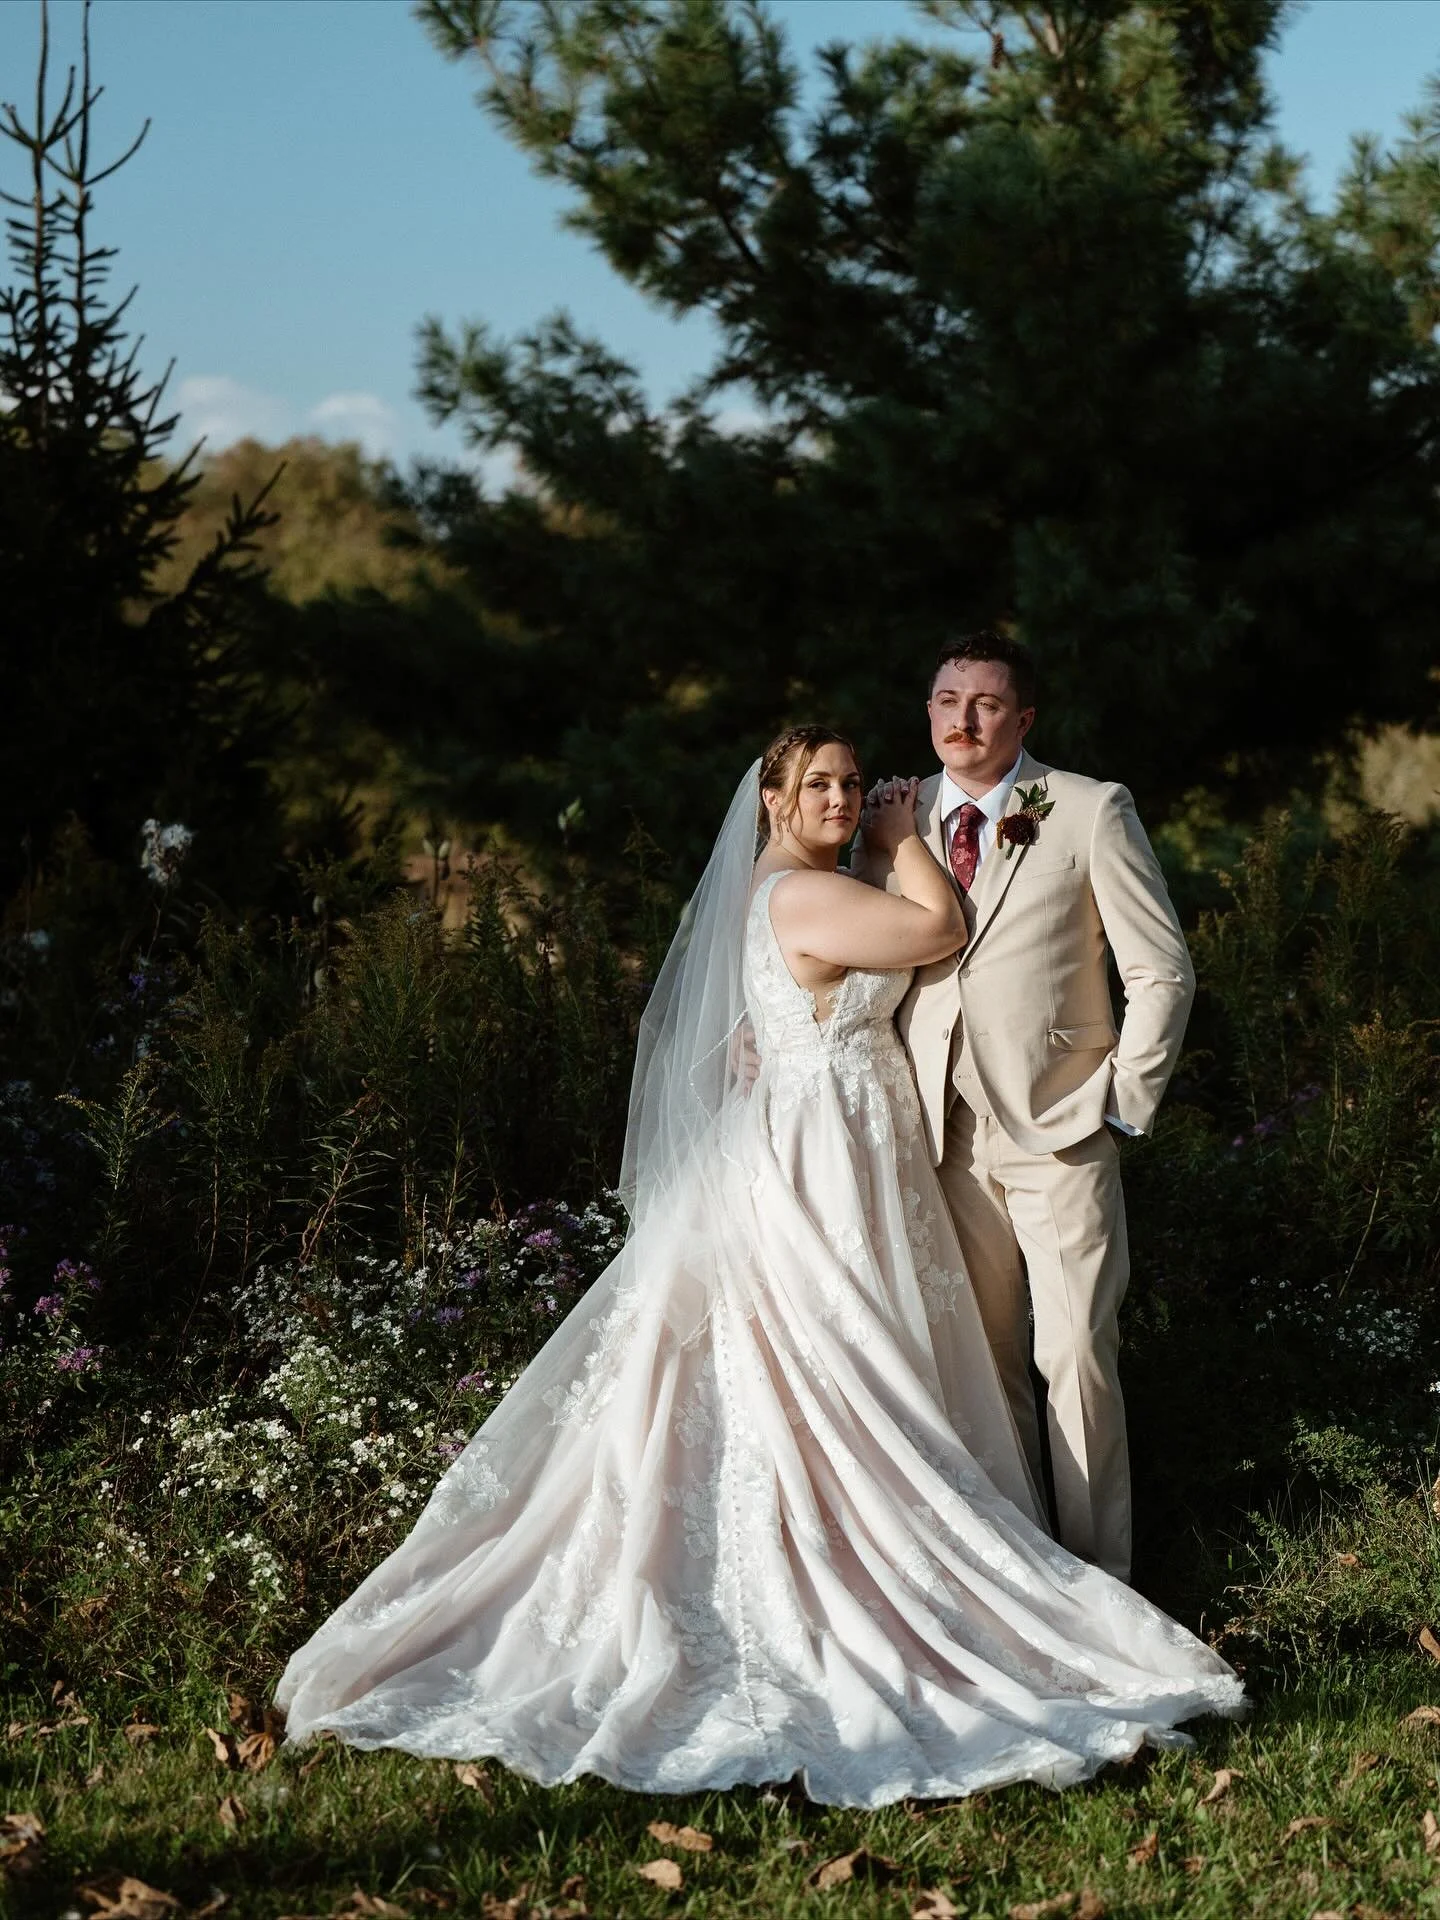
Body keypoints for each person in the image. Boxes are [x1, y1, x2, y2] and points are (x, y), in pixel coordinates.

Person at [275, 727, 1240, 1806]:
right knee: (838, 1364)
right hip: (824, 1155)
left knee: (863, 1358)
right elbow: (939, 929)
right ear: (774, 800)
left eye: (850, 781)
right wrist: (897, 831)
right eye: (818, 784)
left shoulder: (798, 888)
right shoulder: (803, 894)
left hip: (842, 1136)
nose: (840, 796)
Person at [856, 633, 1194, 1585]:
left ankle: (1107, 1589)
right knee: (983, 1369)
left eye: (987, 704)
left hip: (1062, 1128)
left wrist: (1122, 1104)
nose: (962, 720)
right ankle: (1023, 1592)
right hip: (935, 1131)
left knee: (1077, 1356)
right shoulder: (891, 813)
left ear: (1024, 719)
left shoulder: (1089, 809)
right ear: (927, 712)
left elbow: (1159, 969)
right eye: (945, 700)